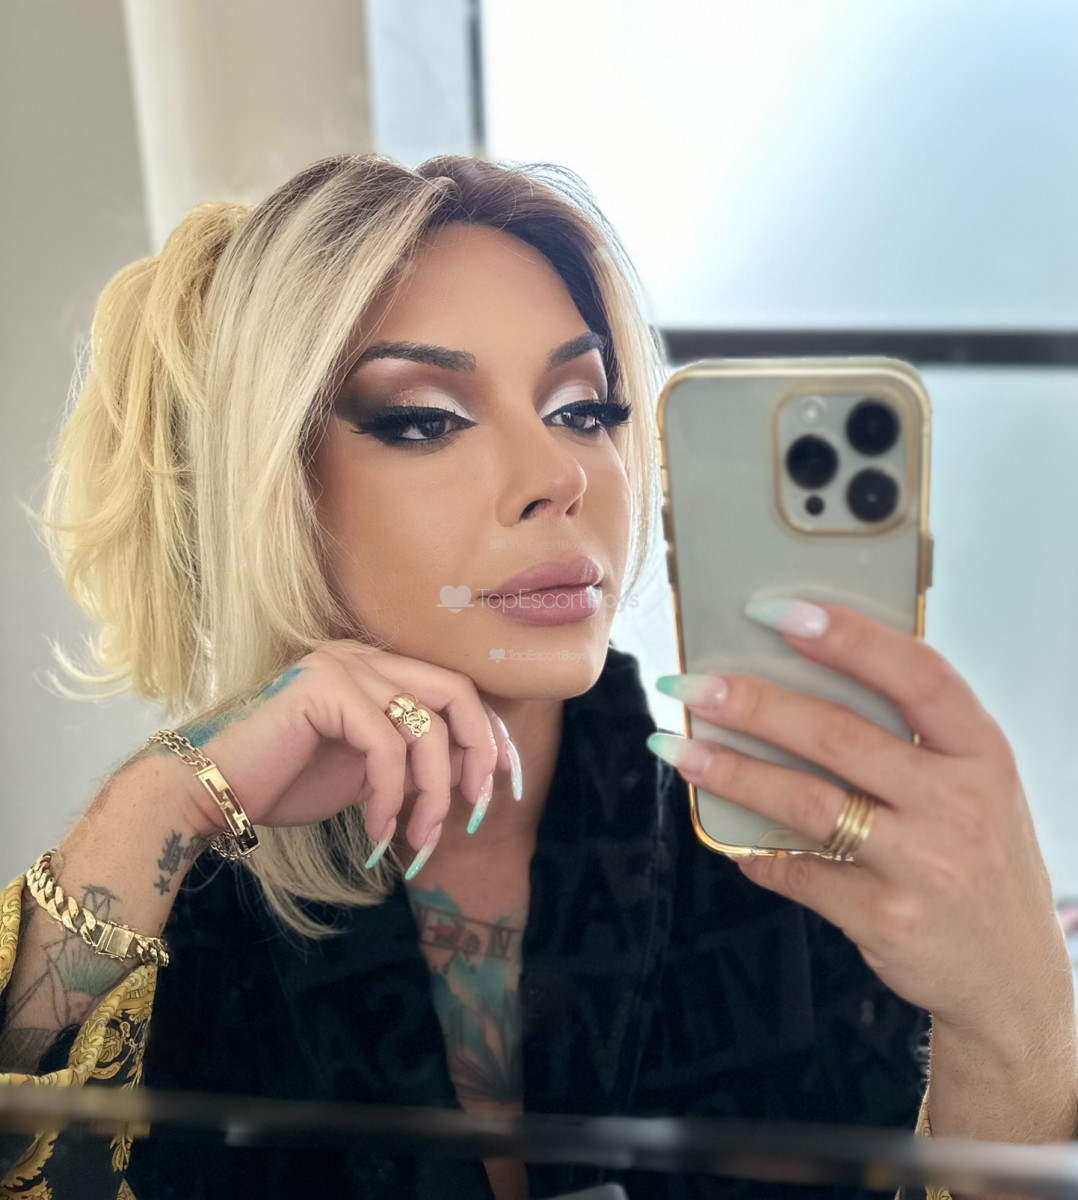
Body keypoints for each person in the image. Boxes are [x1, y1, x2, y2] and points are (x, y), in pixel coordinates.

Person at [0, 152, 1073, 1200]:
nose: (559, 475)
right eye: (426, 419)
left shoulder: (783, 868)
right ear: (275, 486)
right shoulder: (172, 901)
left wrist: (1018, 1023)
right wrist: (162, 801)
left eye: (582, 409)